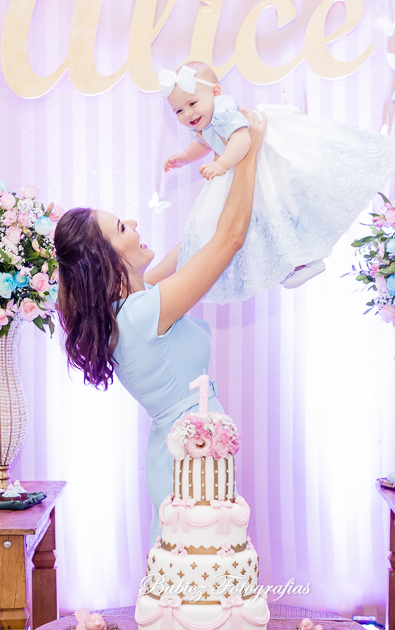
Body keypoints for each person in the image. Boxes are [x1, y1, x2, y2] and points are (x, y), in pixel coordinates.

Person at [53, 110, 267, 544]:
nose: (133, 223)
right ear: (107, 259)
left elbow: (195, 247)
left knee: (187, 573)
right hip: (189, 458)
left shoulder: (126, 310)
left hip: (185, 450)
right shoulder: (142, 314)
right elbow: (228, 241)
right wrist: (249, 152)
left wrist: (226, 168)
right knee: (199, 571)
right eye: (121, 227)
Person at [160, 61, 395, 302]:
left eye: (192, 103)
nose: (187, 114)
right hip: (247, 168)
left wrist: (222, 164)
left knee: (284, 205)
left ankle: (306, 257)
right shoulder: (204, 124)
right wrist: (183, 157)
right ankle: (297, 262)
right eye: (178, 111)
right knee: (263, 220)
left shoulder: (224, 111)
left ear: (216, 93)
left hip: (265, 160)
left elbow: (242, 140)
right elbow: (202, 143)